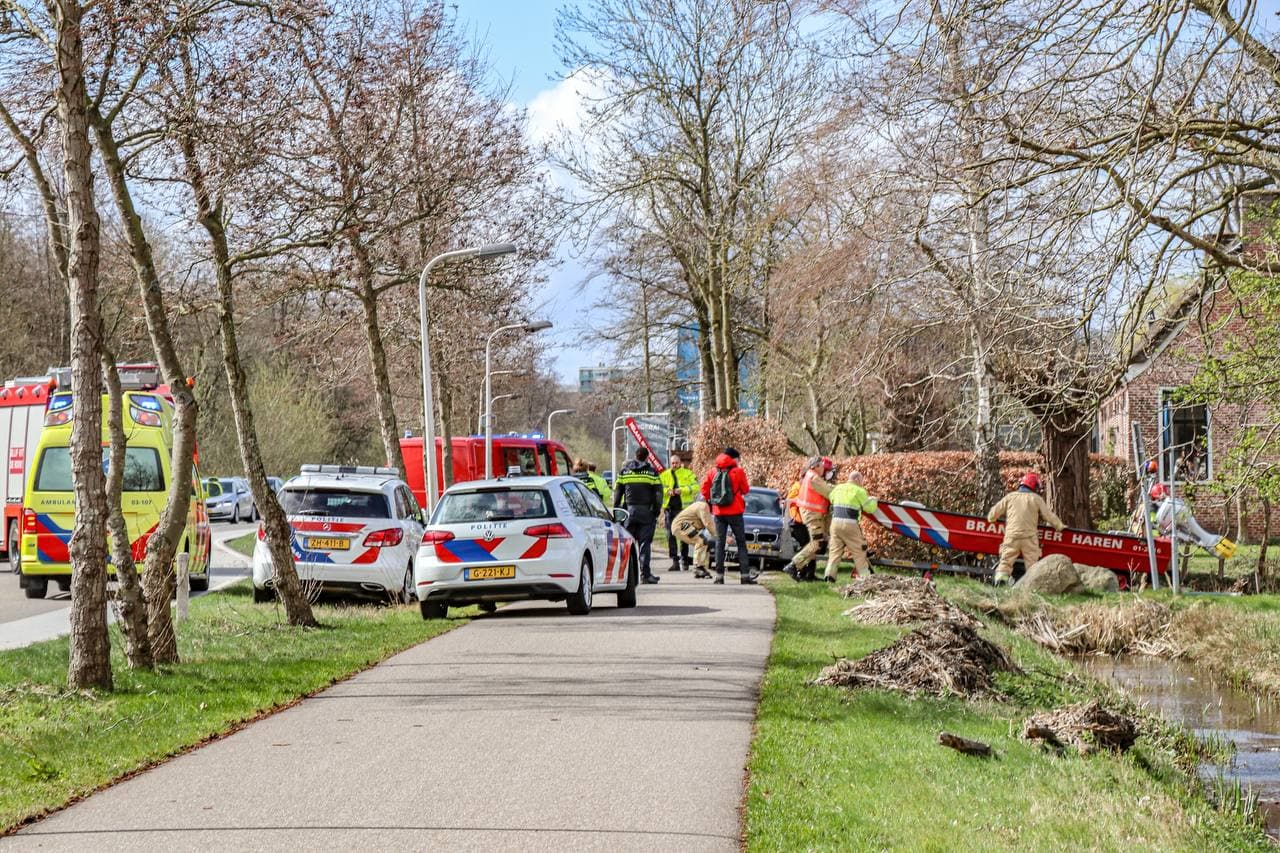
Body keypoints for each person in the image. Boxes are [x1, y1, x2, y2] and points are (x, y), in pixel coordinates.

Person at [986, 472, 1066, 586]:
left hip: (1011, 537)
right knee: (1032, 566)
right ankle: (1031, 589)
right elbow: (1048, 515)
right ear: (1034, 486)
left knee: (1005, 562)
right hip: (1029, 538)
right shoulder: (1036, 499)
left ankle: (1000, 583)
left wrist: (991, 519)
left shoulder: (1010, 497)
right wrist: (1060, 526)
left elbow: (992, 515)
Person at [700, 446, 754, 585]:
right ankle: (745, 576)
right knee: (741, 543)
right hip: (735, 512)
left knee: (719, 543)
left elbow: (704, 490)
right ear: (734, 458)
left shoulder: (713, 471)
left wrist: (712, 501)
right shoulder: (738, 471)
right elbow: (746, 490)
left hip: (719, 512)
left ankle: (719, 576)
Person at [781, 456, 835, 582]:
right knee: (816, 544)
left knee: (817, 544)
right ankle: (793, 565)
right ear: (815, 467)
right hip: (813, 516)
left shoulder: (809, 476)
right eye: (821, 466)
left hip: (812, 515)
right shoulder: (814, 478)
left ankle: (797, 568)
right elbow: (829, 492)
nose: (823, 469)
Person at [614, 447, 663, 584]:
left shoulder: (624, 472)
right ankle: (645, 575)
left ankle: (626, 576)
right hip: (646, 512)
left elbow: (618, 492)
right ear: (647, 457)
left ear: (635, 456)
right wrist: (657, 510)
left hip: (629, 512)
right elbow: (658, 494)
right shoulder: (652, 473)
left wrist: (617, 509)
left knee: (627, 545)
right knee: (644, 544)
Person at [823, 469, 878, 583]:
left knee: (834, 552)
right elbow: (869, 508)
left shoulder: (837, 488)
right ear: (857, 479)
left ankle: (829, 576)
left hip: (835, 524)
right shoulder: (859, 491)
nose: (862, 483)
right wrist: (874, 500)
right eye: (861, 480)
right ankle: (866, 579)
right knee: (859, 551)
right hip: (850, 524)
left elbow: (831, 499)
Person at [660, 451, 699, 571]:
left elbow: (696, 487)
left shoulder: (688, 473)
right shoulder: (664, 475)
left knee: (684, 535)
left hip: (683, 510)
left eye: (676, 463)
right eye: (672, 463)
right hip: (669, 509)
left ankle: (684, 560)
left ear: (680, 463)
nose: (674, 465)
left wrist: (682, 490)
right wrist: (668, 491)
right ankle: (674, 561)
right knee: (670, 535)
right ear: (670, 463)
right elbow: (660, 488)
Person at [670, 497, 717, 579]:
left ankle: (701, 567)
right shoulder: (703, 506)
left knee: (704, 542)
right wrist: (720, 536)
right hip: (681, 525)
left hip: (684, 524)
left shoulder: (703, 505)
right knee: (701, 541)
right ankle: (697, 568)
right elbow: (708, 524)